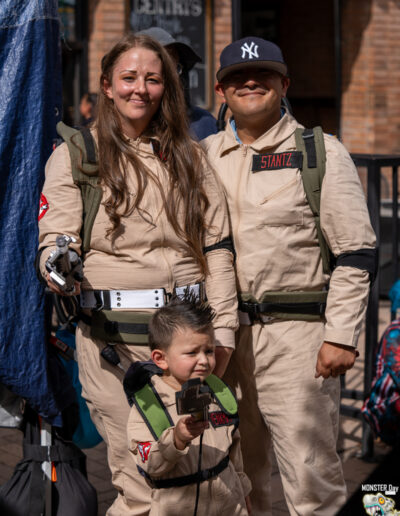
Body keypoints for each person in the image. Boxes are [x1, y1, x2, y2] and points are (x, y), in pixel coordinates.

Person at [38, 33, 237, 516]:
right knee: (141, 480)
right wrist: (57, 265)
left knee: (203, 476)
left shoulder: (191, 156)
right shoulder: (77, 155)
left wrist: (224, 332)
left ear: (165, 88)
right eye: (128, 77)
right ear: (106, 85)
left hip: (189, 348)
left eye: (152, 79)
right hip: (114, 350)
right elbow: (57, 237)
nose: (140, 89)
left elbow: (219, 247)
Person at [202, 36, 377, 516]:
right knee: (243, 477)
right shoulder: (202, 156)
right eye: (237, 77)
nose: (250, 82)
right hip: (224, 343)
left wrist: (341, 335)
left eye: (264, 75)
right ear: (221, 89)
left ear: (284, 84)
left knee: (313, 477)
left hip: (298, 341)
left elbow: (357, 253)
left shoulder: (320, 151)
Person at [125, 296, 252, 516]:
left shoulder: (219, 392)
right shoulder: (150, 407)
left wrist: (245, 494)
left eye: (209, 351)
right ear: (160, 358)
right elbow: (149, 465)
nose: (204, 360)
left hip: (230, 505)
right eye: (192, 353)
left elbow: (235, 452)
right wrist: (176, 440)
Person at [137, 27, 218, 140]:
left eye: (175, 67)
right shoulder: (118, 129)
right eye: (161, 66)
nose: (170, 75)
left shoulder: (202, 123)